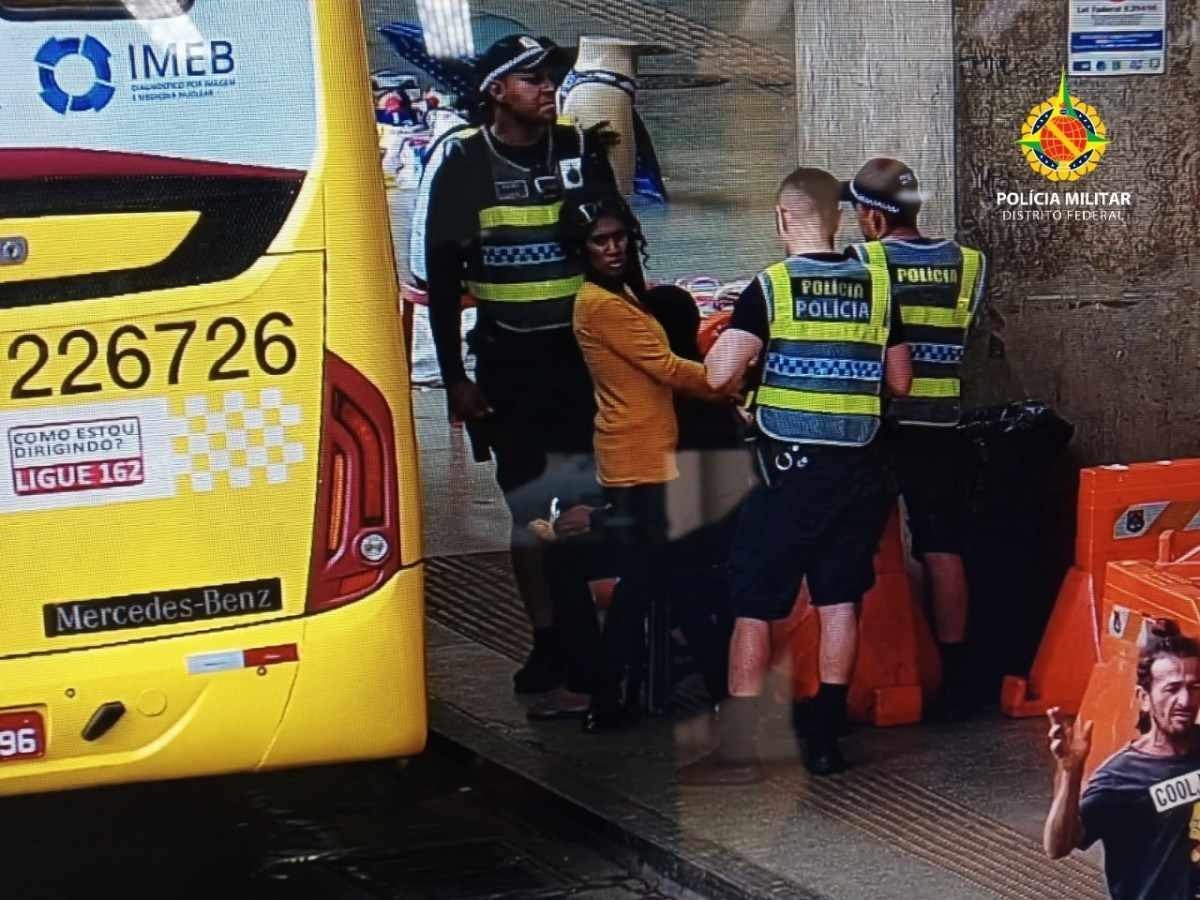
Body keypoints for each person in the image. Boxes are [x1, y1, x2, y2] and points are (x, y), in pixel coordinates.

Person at [680, 167, 912, 782]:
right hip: (859, 470)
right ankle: (826, 738)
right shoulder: (877, 287)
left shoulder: (772, 288)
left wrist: (749, 372)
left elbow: (718, 375)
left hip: (786, 475)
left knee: (754, 606)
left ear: (783, 220)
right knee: (839, 602)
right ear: (841, 221)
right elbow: (900, 381)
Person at [421, 35, 620, 693]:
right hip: (508, 365)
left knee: (589, 500)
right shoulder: (463, 165)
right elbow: (444, 285)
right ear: (498, 91)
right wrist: (455, 378)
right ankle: (548, 642)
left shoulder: (579, 151)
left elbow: (621, 254)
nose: (548, 87)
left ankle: (598, 642)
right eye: (533, 78)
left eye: (552, 78)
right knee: (527, 509)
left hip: (582, 361)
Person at [558, 193, 734, 730]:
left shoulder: (617, 297)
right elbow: (664, 366)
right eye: (600, 242)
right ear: (582, 250)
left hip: (636, 452)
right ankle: (713, 688)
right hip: (640, 458)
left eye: (618, 238)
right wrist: (725, 381)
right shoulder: (604, 306)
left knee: (650, 579)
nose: (612, 249)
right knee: (662, 579)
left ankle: (615, 699)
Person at [842, 158, 988, 721]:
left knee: (857, 551)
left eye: (857, 210)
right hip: (942, 424)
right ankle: (955, 679)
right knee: (942, 545)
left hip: (879, 425)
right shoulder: (969, 265)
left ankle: (861, 673)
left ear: (874, 217)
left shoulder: (866, 261)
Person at [1043, 620, 1200, 899]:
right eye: (1172, 689)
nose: (1186, 701)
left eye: (1194, 687)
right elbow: (1058, 847)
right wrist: (1070, 773)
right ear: (1144, 698)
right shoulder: (1121, 776)